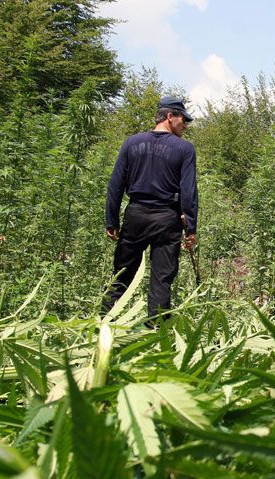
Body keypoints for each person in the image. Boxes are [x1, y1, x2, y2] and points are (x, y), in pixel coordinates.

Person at [103, 96, 198, 323]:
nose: (185, 125)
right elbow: (188, 190)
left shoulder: (131, 143)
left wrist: (112, 220)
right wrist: (191, 228)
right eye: (183, 120)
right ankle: (156, 336)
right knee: (161, 280)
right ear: (169, 116)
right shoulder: (184, 149)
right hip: (167, 219)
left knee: (121, 275)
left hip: (136, 216)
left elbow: (116, 185)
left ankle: (103, 326)